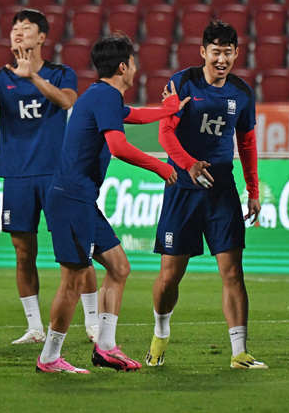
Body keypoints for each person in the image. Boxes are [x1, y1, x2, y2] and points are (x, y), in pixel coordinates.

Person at [36, 33, 187, 373]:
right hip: (71, 198)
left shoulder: (103, 96)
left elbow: (133, 115)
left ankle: (105, 347)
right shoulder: (104, 95)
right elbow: (118, 146)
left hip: (81, 199)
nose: (136, 68)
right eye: (133, 63)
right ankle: (49, 358)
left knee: (118, 267)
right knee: (73, 279)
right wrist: (161, 166)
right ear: (123, 66)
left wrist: (169, 109)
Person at [0, 8, 100, 345]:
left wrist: (32, 77)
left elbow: (67, 102)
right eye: (14, 28)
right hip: (17, 176)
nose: (18, 33)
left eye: (26, 28)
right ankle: (35, 328)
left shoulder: (60, 73)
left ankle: (93, 321)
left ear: (42, 37)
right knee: (23, 253)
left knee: (77, 252)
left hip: (57, 176)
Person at [146, 20, 267, 369]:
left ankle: (239, 352)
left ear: (235, 54)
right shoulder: (181, 83)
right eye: (216, 52)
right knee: (170, 276)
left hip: (222, 191)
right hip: (183, 188)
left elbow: (246, 143)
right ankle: (160, 334)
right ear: (203, 52)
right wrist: (189, 165)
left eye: (228, 52)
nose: (222, 59)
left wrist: (253, 189)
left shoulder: (242, 93)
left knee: (233, 272)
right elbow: (165, 135)